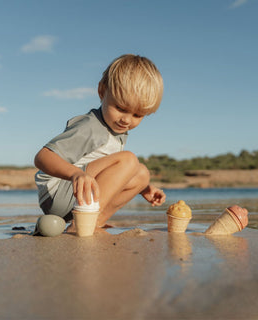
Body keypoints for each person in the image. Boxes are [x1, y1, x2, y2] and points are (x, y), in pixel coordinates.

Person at [34, 54, 166, 232]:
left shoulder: (116, 129)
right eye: (120, 108)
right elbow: (42, 157)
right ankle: (79, 225)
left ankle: (94, 223)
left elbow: (110, 173)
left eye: (137, 115)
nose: (126, 120)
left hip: (77, 195)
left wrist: (143, 188)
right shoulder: (90, 127)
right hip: (58, 193)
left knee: (141, 173)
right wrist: (75, 174)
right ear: (102, 92)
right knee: (128, 159)